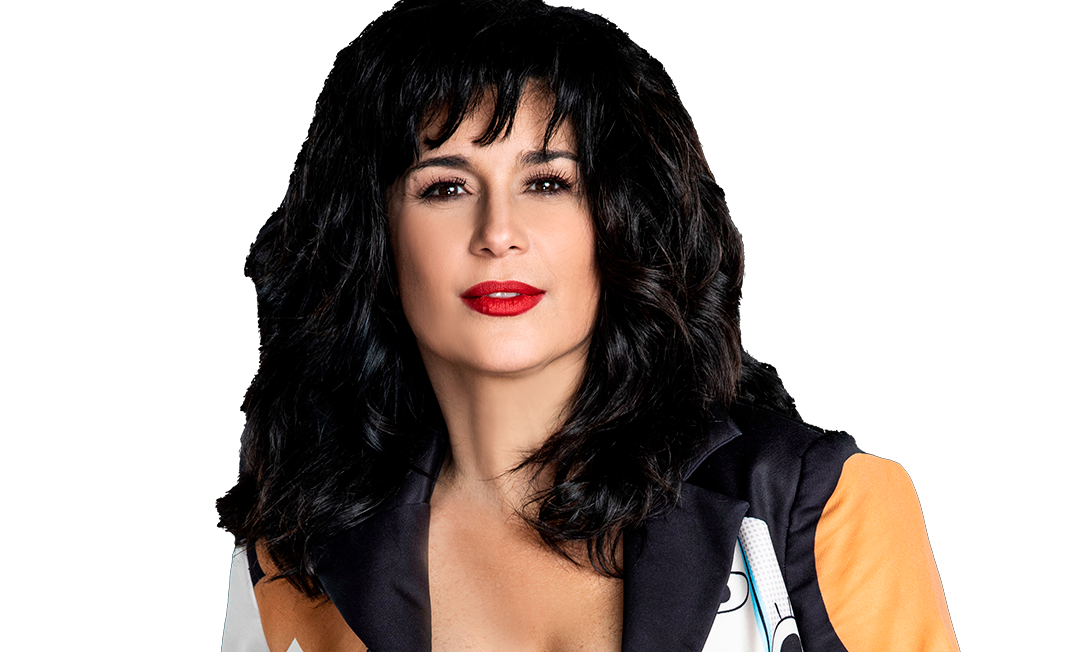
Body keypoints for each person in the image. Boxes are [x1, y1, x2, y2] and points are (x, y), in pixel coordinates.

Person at [219, 1, 958, 650]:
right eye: (445, 187)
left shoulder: (821, 505)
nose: (498, 233)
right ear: (375, 237)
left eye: (548, 182)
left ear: (621, 222)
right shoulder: (287, 566)